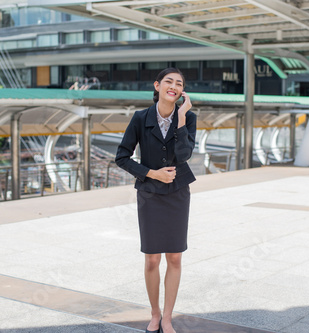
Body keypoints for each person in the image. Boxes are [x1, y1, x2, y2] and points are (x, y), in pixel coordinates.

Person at [115, 68, 196, 333]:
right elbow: (122, 157)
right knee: (151, 259)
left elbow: (183, 155)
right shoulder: (140, 118)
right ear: (157, 85)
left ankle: (168, 318)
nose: (173, 86)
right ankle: (154, 313)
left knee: (174, 257)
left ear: (182, 91)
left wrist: (182, 117)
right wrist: (152, 173)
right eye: (168, 82)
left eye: (179, 84)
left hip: (177, 193)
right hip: (149, 193)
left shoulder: (189, 117)